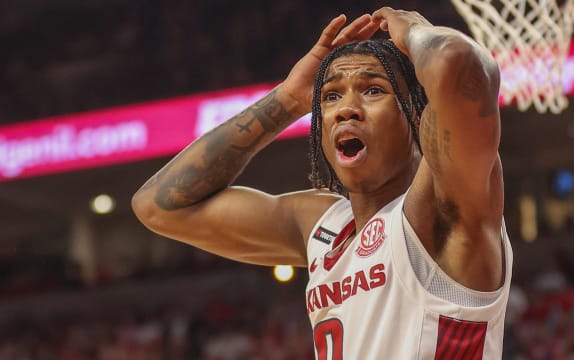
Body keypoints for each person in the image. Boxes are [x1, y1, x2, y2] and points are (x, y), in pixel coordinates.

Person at [132, 7, 512, 359]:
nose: (346, 108)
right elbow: (159, 205)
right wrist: (290, 98)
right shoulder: (323, 227)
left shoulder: (443, 205)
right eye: (330, 96)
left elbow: (459, 68)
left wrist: (414, 30)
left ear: (414, 113)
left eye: (373, 89)